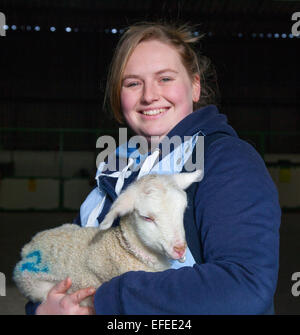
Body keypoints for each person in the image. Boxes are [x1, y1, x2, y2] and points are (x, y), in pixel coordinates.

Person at [26, 22, 281, 315]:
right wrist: (43, 308)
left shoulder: (227, 161)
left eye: (165, 78)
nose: (149, 96)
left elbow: (244, 287)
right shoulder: (115, 169)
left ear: (195, 86)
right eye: (133, 83)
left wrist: (105, 300)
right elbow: (60, 267)